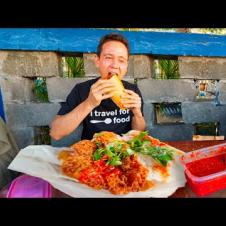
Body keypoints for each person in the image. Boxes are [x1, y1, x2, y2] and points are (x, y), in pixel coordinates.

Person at [50, 33, 146, 141]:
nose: (115, 65)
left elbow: (139, 134)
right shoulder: (81, 89)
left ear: (126, 66)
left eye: (121, 60)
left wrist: (137, 114)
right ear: (97, 61)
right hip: (92, 153)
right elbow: (55, 132)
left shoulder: (132, 91)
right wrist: (89, 103)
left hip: (124, 153)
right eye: (108, 57)